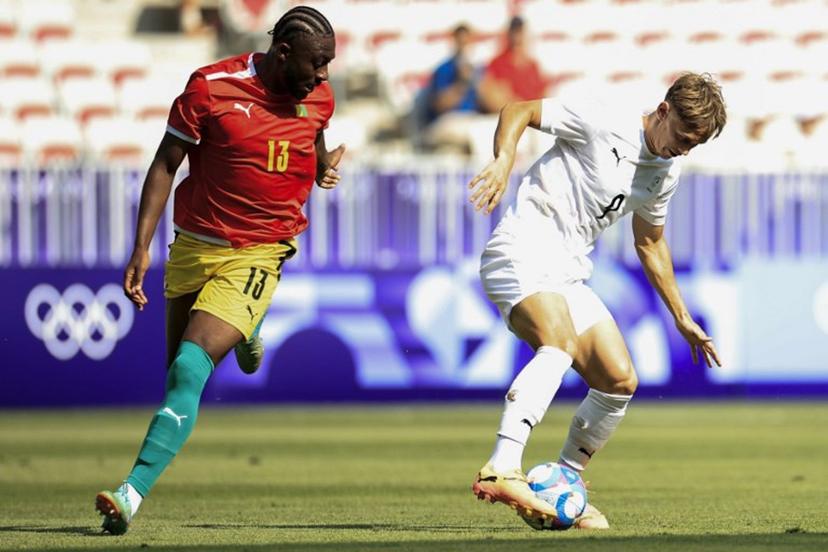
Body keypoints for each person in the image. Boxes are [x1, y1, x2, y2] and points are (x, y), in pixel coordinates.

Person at [94, 5, 344, 535]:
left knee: (189, 368)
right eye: (316, 64)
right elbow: (166, 163)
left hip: (261, 248)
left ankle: (130, 492)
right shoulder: (211, 88)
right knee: (176, 377)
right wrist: (141, 247)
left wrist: (323, 166)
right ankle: (248, 327)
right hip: (193, 247)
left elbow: (314, 131)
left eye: (329, 65)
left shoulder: (316, 95)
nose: (324, 76)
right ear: (282, 54)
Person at [468, 73, 726, 529]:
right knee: (559, 344)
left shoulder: (667, 170)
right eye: (684, 137)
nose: (684, 149)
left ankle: (565, 482)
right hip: (520, 249)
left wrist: (681, 317)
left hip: (567, 272)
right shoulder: (604, 117)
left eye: (695, 145)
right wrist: (505, 160)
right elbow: (519, 110)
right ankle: (502, 466)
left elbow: (650, 242)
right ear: (663, 111)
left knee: (619, 379)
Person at [478, 16, 547, 114]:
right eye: (514, 32)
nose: (516, 37)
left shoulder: (533, 65)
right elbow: (489, 95)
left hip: (530, 120)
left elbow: (542, 95)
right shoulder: (497, 63)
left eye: (519, 32)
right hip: (508, 118)